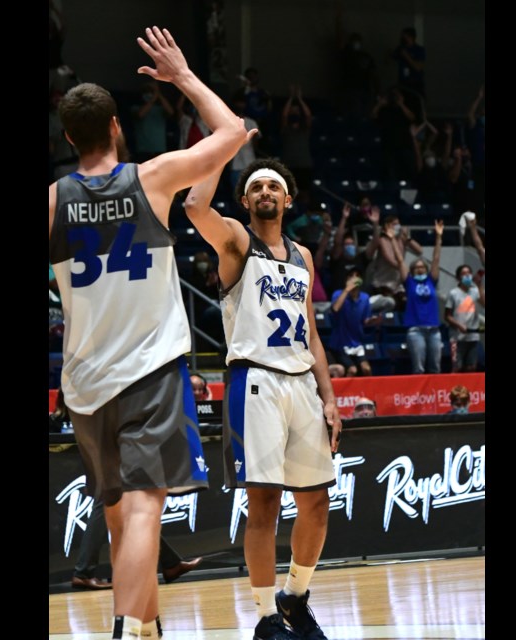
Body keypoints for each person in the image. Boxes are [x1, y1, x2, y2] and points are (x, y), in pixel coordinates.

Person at [48, 26, 248, 640]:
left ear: (66, 137)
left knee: (119, 518)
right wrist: (182, 77)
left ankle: (149, 625)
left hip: (84, 383)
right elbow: (234, 133)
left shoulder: (54, 201)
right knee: (142, 512)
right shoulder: (153, 177)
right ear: (115, 128)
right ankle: (128, 630)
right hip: (150, 372)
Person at [184, 158, 342, 640]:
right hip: (256, 382)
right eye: (258, 187)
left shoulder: (303, 255)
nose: (267, 191)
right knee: (265, 503)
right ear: (246, 201)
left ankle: (293, 598)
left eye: (275, 185)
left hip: (302, 385)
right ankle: (263, 617)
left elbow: (312, 333)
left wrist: (330, 397)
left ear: (288, 200)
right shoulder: (235, 242)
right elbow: (193, 204)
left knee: (316, 503)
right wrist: (219, 148)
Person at [71, 498, 204, 589]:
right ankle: (83, 572)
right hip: (110, 460)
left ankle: (171, 563)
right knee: (107, 501)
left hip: (112, 460)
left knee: (128, 508)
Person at [399, 221, 444, 374]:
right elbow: (400, 261)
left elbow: (436, 259)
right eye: (416, 267)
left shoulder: (431, 280)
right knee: (418, 369)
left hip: (434, 330)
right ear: (412, 271)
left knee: (435, 368)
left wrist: (438, 237)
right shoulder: (409, 282)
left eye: (422, 267)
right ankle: (421, 398)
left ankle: (435, 396)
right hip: (415, 330)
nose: (420, 269)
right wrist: (394, 240)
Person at [445, 265, 486, 373]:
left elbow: (484, 303)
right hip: (457, 337)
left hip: (473, 336)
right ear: (458, 277)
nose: (467, 276)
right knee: (457, 367)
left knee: (471, 367)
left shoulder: (475, 291)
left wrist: (479, 285)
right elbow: (447, 316)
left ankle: (469, 390)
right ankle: (455, 389)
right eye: (464, 274)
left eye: (469, 273)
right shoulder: (453, 293)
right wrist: (459, 325)